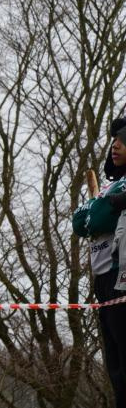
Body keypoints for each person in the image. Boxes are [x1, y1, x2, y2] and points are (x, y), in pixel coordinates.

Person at [72, 118, 126, 407]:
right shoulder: (109, 187)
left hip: (123, 277)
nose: (115, 144)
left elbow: (99, 217)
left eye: (123, 139)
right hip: (102, 280)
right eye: (114, 139)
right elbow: (80, 222)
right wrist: (98, 209)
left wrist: (97, 213)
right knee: (114, 364)